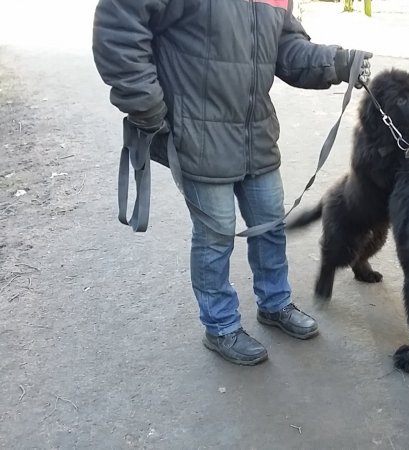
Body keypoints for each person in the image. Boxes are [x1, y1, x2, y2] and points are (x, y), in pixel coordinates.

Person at [91, 0, 372, 366]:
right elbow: (119, 27)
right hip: (196, 135)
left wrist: (337, 62)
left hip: (256, 135)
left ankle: (275, 303)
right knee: (216, 235)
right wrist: (148, 107)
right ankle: (220, 325)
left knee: (270, 224)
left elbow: (285, 48)